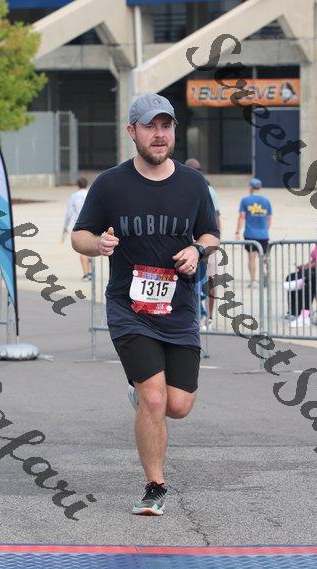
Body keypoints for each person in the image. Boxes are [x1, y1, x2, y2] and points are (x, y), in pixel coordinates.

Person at [71, 92, 220, 516]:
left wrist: (198, 250)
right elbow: (79, 235)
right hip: (129, 308)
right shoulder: (110, 184)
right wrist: (98, 244)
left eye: (166, 126)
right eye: (150, 127)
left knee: (178, 405)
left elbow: (211, 234)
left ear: (174, 130)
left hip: (180, 308)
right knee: (154, 399)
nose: (159, 134)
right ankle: (155, 486)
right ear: (132, 132)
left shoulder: (193, 184)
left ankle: (140, 393)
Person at [184, 158, 221, 330]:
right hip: (188, 244)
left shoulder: (208, 190)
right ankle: (196, 315)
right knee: (191, 281)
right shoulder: (181, 187)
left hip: (205, 243)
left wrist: (214, 241)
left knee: (210, 279)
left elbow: (216, 218)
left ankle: (209, 317)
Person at [235, 178, 272, 288]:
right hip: (263, 235)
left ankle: (253, 280)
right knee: (264, 258)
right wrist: (265, 230)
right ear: (260, 187)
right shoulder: (266, 201)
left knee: (251, 258)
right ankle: (266, 278)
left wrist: (237, 231)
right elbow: (269, 218)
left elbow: (242, 217)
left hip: (250, 234)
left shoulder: (245, 200)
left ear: (250, 187)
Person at [62, 177, 92, 280]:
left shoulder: (74, 196)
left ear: (78, 185)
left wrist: (65, 227)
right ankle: (90, 272)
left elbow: (69, 212)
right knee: (90, 248)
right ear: (86, 184)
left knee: (83, 250)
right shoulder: (91, 193)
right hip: (92, 224)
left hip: (80, 224)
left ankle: (86, 274)